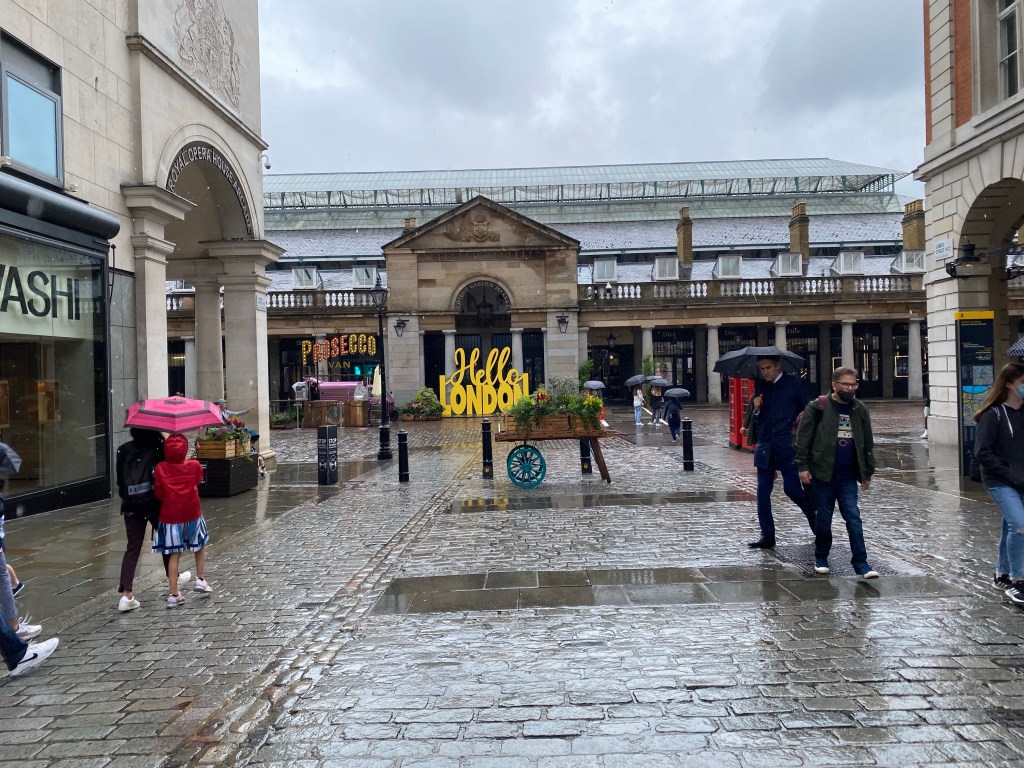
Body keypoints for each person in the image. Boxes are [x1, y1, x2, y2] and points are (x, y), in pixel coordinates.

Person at [794, 367, 879, 579]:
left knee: (854, 518)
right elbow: (802, 440)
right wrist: (803, 467)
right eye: (845, 384)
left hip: (847, 476)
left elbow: (867, 443)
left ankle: (861, 562)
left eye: (853, 384)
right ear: (834, 385)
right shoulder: (818, 407)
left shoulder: (859, 409)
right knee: (824, 518)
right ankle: (821, 556)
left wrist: (867, 472)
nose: (850, 388)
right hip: (823, 473)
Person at [740, 355, 817, 548]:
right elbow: (759, 422)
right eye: (762, 368)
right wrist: (756, 409)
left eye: (768, 368)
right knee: (762, 494)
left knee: (792, 490)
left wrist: (801, 436)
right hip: (765, 447)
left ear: (778, 366)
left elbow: (808, 412)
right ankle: (768, 535)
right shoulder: (761, 387)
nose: (765, 372)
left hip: (788, 447)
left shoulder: (793, 384)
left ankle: (816, 523)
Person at [115, 428, 190, 612]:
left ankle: (127, 595)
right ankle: (174, 582)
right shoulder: (158, 447)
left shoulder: (123, 449)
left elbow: (119, 482)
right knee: (167, 542)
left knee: (133, 547)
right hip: (155, 503)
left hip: (131, 504)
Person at [972, 362, 1024, 603]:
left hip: (1022, 479)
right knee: (1020, 525)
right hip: (1000, 480)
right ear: (1009, 384)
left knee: (1010, 526)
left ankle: (1002, 573)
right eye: (1023, 382)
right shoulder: (993, 415)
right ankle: (1018, 580)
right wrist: (1009, 474)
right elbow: (983, 452)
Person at [153, 434, 213, 607]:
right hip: (192, 512)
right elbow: (197, 481)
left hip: (170, 516)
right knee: (199, 545)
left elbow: (158, 493)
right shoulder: (194, 465)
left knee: (174, 553)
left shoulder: (160, 468)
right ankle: (200, 579)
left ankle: (174, 594)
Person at [216, 398, 265, 475]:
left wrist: (247, 411)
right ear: (220, 405)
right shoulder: (217, 413)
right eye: (224, 403)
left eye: (225, 403)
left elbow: (237, 413)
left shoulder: (227, 412)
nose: (225, 404)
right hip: (221, 430)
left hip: (228, 431)